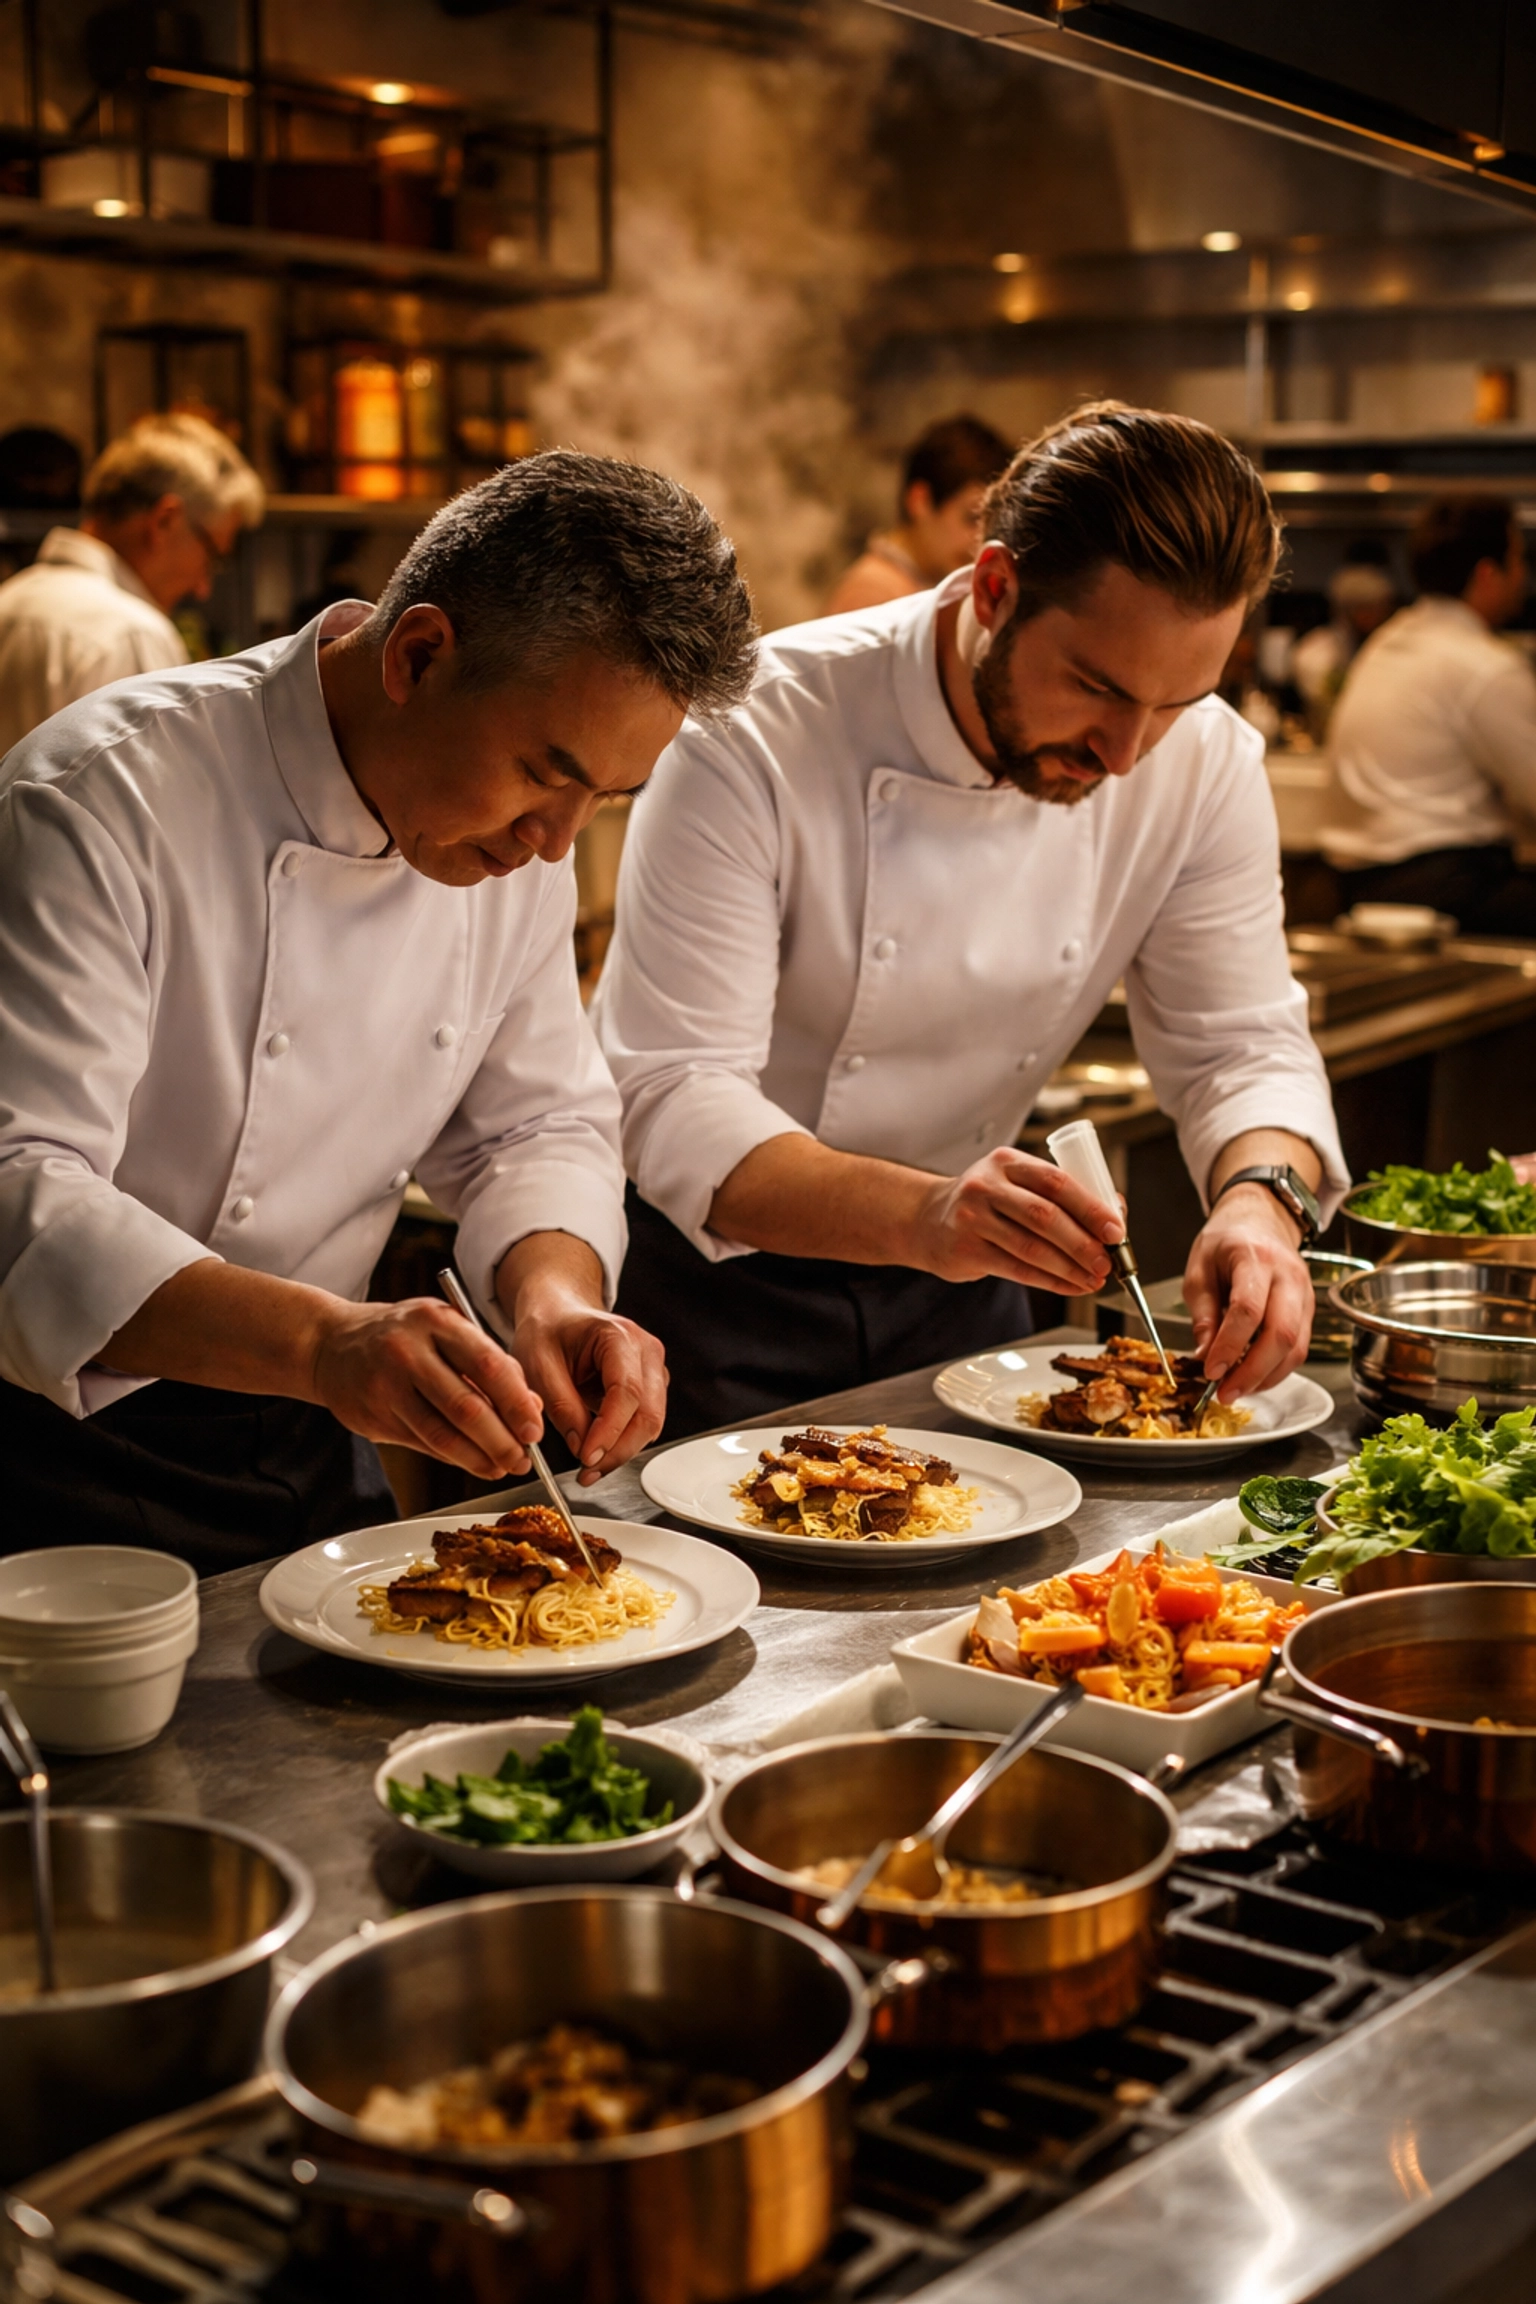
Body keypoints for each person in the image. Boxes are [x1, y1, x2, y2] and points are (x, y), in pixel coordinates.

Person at [0, 450, 756, 1570]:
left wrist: (555, 1300)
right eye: (547, 775)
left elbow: (534, 1126)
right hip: (50, 1462)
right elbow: (21, 1186)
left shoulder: (512, 850)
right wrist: (325, 1339)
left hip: (312, 1438)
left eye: (602, 799)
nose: (558, 842)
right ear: (419, 654)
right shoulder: (95, 804)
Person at [593, 402, 1347, 1437]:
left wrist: (1261, 1206)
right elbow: (672, 1092)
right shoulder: (754, 731)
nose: (1125, 754)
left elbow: (1243, 1044)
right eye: (1096, 687)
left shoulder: (1204, 763)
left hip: (964, 1294)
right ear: (995, 588)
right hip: (707, 1308)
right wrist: (927, 1215)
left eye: (1173, 705)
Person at [1321, 496, 1536, 933]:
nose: (1525, 577)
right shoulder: (1483, 665)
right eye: (1517, 561)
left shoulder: (1390, 639)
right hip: (1446, 885)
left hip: (1354, 882)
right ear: (1487, 574)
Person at [0, 412, 264, 756]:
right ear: (164, 521)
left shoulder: (10, 598)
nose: (203, 587)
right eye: (212, 555)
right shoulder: (133, 635)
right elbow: (155, 801)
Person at [825, 415, 1012, 616]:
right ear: (920, 501)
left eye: (992, 523)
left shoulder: (926, 585)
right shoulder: (873, 594)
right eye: (971, 517)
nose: (980, 539)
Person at [1290, 555, 1397, 739]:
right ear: (1353, 610)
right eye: (1373, 608)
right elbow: (1328, 703)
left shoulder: (1386, 645)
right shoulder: (1315, 650)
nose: (1381, 615)